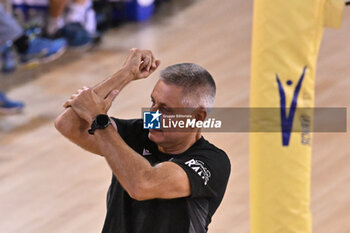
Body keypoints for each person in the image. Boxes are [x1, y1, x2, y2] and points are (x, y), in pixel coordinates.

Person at [55, 48, 231, 233]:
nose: (152, 115)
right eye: (152, 102)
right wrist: (126, 74)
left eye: (165, 109)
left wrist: (98, 118)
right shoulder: (138, 132)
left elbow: (143, 184)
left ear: (198, 117)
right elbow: (67, 124)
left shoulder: (211, 162)